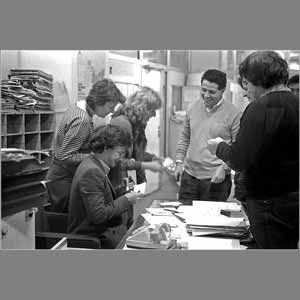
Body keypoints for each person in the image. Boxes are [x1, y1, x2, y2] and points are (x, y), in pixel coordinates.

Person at [208, 51, 299, 249]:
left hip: (267, 203)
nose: (245, 91)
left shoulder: (260, 108)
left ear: (259, 79)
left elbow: (239, 159)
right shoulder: (296, 104)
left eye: (247, 84)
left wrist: (219, 147)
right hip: (292, 199)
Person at [46, 79, 126, 212]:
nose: (111, 111)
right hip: (62, 182)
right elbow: (64, 156)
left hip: (61, 179)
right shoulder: (82, 120)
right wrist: (96, 157)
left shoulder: (77, 108)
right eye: (110, 106)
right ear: (99, 102)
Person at [68, 124, 142, 249]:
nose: (120, 158)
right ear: (107, 147)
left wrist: (120, 191)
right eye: (119, 153)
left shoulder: (93, 164)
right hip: (93, 238)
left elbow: (101, 196)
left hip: (101, 233)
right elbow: (99, 215)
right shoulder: (92, 171)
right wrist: (126, 200)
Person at [174, 69, 242, 205]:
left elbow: (237, 148)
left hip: (216, 179)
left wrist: (224, 168)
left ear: (222, 90)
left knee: (210, 222)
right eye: (203, 90)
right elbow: (185, 138)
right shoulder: (193, 107)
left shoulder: (234, 113)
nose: (206, 95)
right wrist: (179, 163)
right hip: (189, 176)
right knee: (184, 219)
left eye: (212, 92)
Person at [108, 86, 163, 196]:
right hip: (120, 185)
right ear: (142, 108)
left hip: (132, 182)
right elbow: (118, 161)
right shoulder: (122, 124)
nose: (154, 115)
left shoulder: (138, 124)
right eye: (152, 110)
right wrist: (146, 165)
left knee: (136, 209)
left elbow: (134, 153)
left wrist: (153, 158)